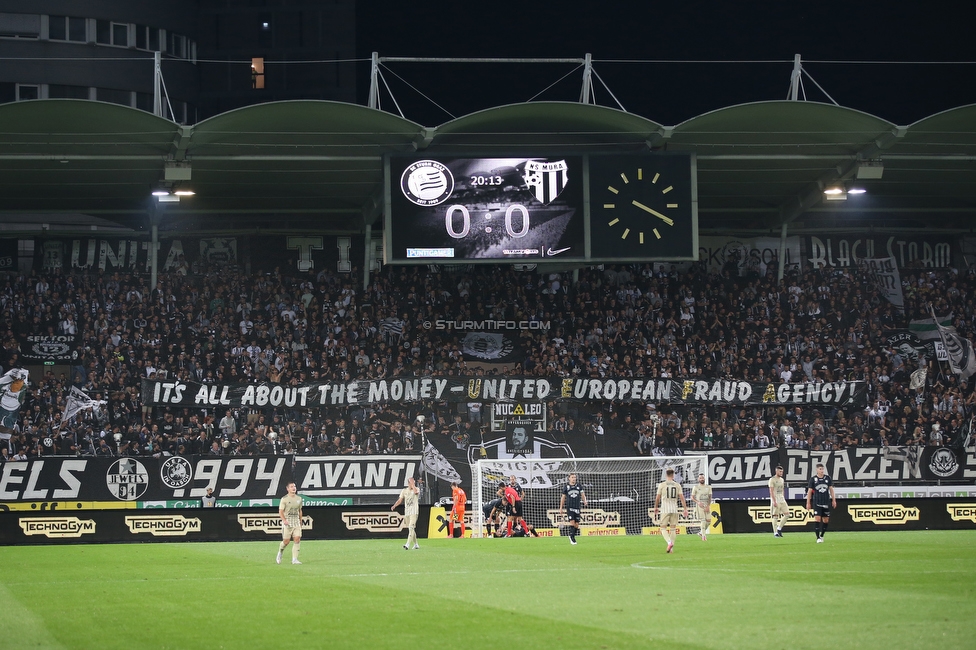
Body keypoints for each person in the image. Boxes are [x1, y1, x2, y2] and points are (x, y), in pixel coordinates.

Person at [653, 467, 688, 554]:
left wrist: (656, 507)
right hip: (674, 509)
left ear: (666, 475)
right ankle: (671, 549)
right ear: (673, 475)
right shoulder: (677, 485)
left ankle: (669, 542)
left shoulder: (662, 485)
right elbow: (682, 498)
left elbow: (657, 498)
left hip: (665, 508)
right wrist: (685, 508)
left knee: (663, 528)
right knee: (673, 529)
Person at [805, 463, 836, 543]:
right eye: (820, 469)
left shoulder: (827, 478)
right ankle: (818, 537)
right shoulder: (813, 479)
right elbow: (809, 491)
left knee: (826, 520)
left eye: (822, 469)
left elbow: (831, 489)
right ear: (817, 470)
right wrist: (808, 503)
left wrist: (833, 500)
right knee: (817, 519)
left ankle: (822, 535)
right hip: (817, 502)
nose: (822, 471)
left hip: (826, 502)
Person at [276, 481, 303, 565]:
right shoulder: (284, 499)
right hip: (287, 522)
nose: (293, 488)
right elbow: (280, 511)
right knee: (286, 541)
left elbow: (300, 510)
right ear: (287, 489)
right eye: (291, 486)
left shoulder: (299, 499)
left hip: (296, 522)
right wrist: (284, 520)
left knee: (297, 539)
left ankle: (294, 559)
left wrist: (300, 520)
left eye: (294, 486)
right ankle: (280, 552)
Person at [392, 476, 420, 550]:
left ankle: (407, 544)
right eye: (411, 483)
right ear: (408, 483)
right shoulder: (404, 491)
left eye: (413, 482)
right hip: (407, 512)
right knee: (411, 529)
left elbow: (416, 493)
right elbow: (400, 500)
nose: (412, 484)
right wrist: (395, 505)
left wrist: (413, 485)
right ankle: (416, 544)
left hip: (414, 511)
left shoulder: (416, 489)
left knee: (411, 526)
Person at [559, 472, 587, 545]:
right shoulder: (566, 487)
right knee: (572, 522)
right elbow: (563, 498)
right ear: (569, 478)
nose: (574, 479)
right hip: (570, 507)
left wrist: (585, 501)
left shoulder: (579, 486)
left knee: (577, 524)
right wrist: (561, 508)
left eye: (575, 477)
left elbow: (582, 494)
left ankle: (572, 535)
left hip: (577, 506)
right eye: (572, 477)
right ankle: (572, 537)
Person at [690, 473, 712, 541]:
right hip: (700, 506)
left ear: (704, 479)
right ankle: (704, 536)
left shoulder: (708, 487)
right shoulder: (696, 487)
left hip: (706, 505)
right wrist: (698, 502)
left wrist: (708, 505)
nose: (702, 479)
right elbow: (692, 497)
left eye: (702, 478)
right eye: (700, 478)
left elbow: (710, 497)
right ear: (698, 479)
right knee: (703, 520)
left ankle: (700, 533)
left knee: (709, 521)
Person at [768, 465, 788, 537]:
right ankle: (775, 532)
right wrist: (774, 501)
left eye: (782, 471)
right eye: (780, 471)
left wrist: (783, 497)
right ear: (776, 471)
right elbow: (771, 491)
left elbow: (782, 489)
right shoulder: (772, 480)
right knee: (775, 516)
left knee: (787, 514)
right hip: (775, 499)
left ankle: (779, 528)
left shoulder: (782, 480)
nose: (781, 473)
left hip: (781, 499)